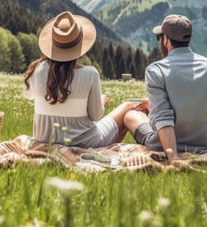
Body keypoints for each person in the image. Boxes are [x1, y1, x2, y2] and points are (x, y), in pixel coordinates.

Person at [124, 14, 207, 167]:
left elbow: (163, 119)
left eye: (160, 38)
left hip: (163, 146)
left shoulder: (156, 70)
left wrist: (174, 158)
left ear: (165, 39)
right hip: (203, 146)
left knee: (131, 115)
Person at [23, 11, 134, 147]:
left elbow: (28, 95)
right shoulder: (90, 73)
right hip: (86, 143)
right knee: (128, 106)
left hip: (44, 141)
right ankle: (108, 150)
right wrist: (101, 101)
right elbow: (96, 116)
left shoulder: (36, 69)